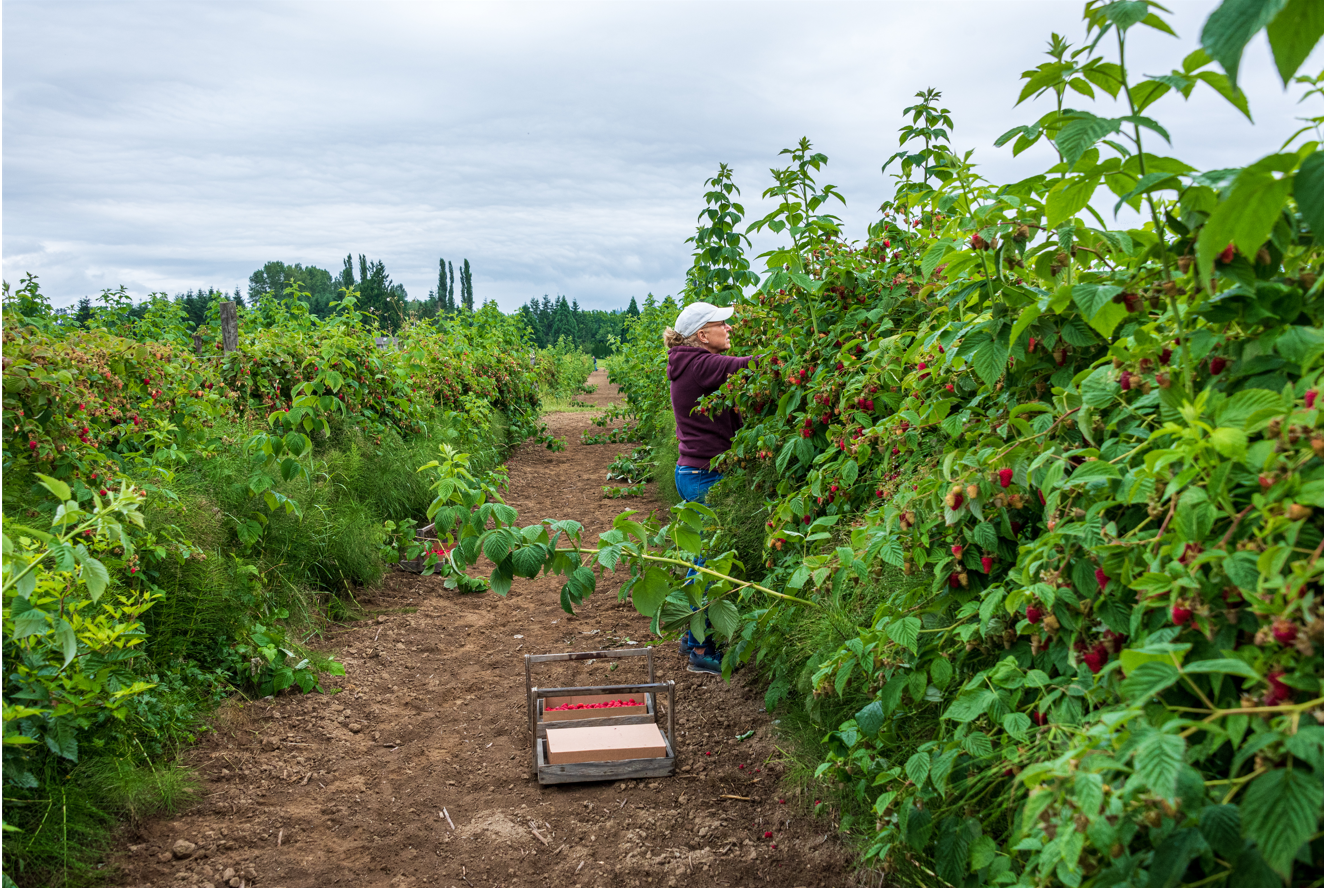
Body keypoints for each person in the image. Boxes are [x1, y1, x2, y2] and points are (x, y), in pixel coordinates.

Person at [665, 301, 755, 674]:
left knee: (702, 558)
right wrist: (802, 351)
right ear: (702, 334)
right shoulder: (699, 364)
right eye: (723, 324)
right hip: (704, 477)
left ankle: (692, 634)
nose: (729, 329)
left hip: (692, 472)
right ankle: (702, 650)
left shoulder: (687, 363)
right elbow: (750, 367)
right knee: (710, 564)